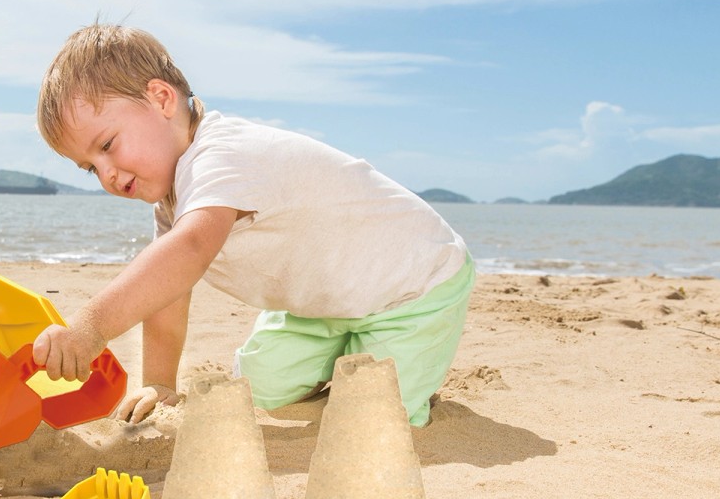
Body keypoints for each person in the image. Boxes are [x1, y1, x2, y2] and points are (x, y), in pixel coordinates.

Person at [32, 22, 474, 427]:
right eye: (90, 167)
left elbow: (187, 253)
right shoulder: (173, 201)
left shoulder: (223, 156)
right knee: (258, 389)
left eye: (107, 145)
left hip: (412, 287)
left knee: (371, 415)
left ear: (161, 99)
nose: (107, 173)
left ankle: (405, 364)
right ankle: (347, 350)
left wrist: (91, 327)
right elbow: (168, 292)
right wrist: (161, 383)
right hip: (324, 305)